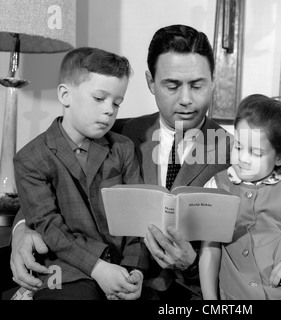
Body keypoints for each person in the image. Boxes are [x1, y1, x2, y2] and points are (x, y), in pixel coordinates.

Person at [9, 25, 231, 300]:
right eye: (172, 86)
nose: (186, 100)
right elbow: (58, 183)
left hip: (182, 293)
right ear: (151, 82)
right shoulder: (115, 132)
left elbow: (250, 253)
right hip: (102, 280)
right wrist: (22, 230)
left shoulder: (239, 155)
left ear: (213, 80)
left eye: (197, 85)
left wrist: (192, 265)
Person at [12, 47, 145, 300]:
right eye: (99, 98)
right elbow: (49, 226)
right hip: (62, 267)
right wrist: (98, 268)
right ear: (65, 95)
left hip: (118, 266)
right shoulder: (30, 158)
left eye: (117, 103)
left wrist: (134, 269)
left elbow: (136, 219)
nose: (109, 110)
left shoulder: (123, 148)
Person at [199, 94, 281, 300]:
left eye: (256, 153)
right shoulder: (217, 187)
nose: (243, 159)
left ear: (280, 157)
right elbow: (210, 252)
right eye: (238, 146)